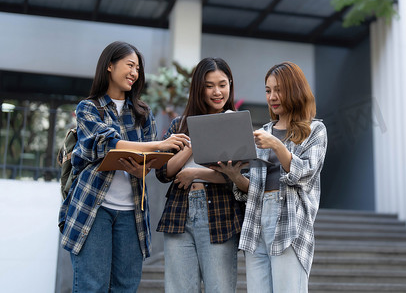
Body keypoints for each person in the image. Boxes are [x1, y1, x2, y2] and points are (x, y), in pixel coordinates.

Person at [58, 41, 190, 292]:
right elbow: (107, 144)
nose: (134, 73)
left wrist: (143, 167)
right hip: (93, 210)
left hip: (133, 214)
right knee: (91, 286)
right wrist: (159, 145)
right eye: (130, 65)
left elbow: (148, 164)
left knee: (125, 287)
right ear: (109, 66)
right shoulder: (89, 107)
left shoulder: (142, 113)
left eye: (138, 69)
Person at [213, 61, 328, 292]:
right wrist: (234, 175)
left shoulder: (314, 130)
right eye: (268, 90)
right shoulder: (263, 132)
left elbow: (304, 174)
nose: (272, 96)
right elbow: (253, 187)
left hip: (290, 222)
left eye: (279, 90)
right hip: (257, 219)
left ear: (295, 90)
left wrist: (277, 145)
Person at [155, 57, 244, 293]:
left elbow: (236, 177)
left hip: (220, 213)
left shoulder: (235, 124)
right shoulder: (179, 125)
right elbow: (163, 172)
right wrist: (193, 145)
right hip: (179, 213)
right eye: (209, 85)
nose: (217, 92)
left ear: (230, 85)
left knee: (220, 288)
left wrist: (194, 172)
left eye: (222, 84)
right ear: (198, 88)